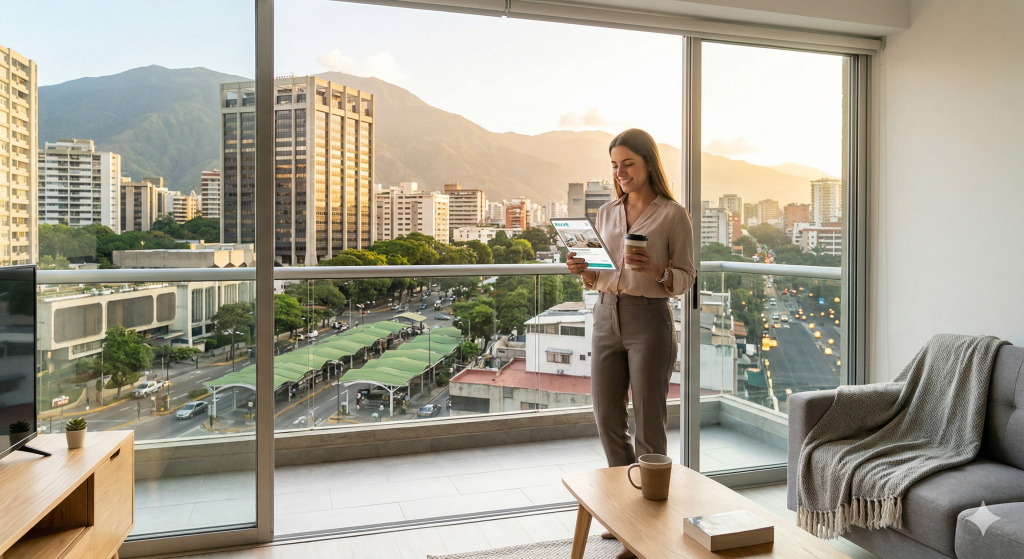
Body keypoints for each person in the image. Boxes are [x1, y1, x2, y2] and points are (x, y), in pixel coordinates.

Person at [566, 129, 695, 559]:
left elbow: (685, 279)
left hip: (649, 319)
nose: (620, 173)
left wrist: (657, 269)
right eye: (614, 166)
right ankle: (624, 517)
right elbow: (598, 275)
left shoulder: (673, 215)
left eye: (628, 164)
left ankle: (649, 532)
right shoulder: (604, 214)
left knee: (648, 426)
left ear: (648, 164)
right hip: (605, 314)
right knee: (607, 419)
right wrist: (581, 269)